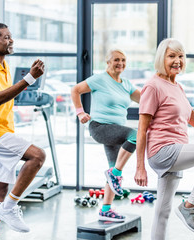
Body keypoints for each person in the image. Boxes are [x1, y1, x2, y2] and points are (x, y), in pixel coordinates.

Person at [134, 38, 194, 240]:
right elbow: (142, 129)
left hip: (176, 150)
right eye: (172, 56)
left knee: (162, 211)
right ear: (161, 58)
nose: (177, 60)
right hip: (163, 151)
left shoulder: (177, 87)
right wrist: (139, 166)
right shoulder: (153, 86)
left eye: (181, 56)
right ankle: (190, 206)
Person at [0, 23, 46, 240]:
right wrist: (29, 79)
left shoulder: (3, 66)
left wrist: (27, 82)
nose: (11, 40)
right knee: (38, 156)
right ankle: (10, 207)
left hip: (3, 130)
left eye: (11, 36)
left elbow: (7, 96)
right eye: (6, 37)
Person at [71, 48, 140, 222]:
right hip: (100, 128)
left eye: (123, 60)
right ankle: (114, 173)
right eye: (116, 60)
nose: (120, 63)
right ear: (108, 62)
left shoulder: (126, 84)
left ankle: (106, 209)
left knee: (114, 168)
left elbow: (146, 100)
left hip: (117, 131)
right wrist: (80, 113)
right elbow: (75, 90)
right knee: (136, 135)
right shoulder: (99, 79)